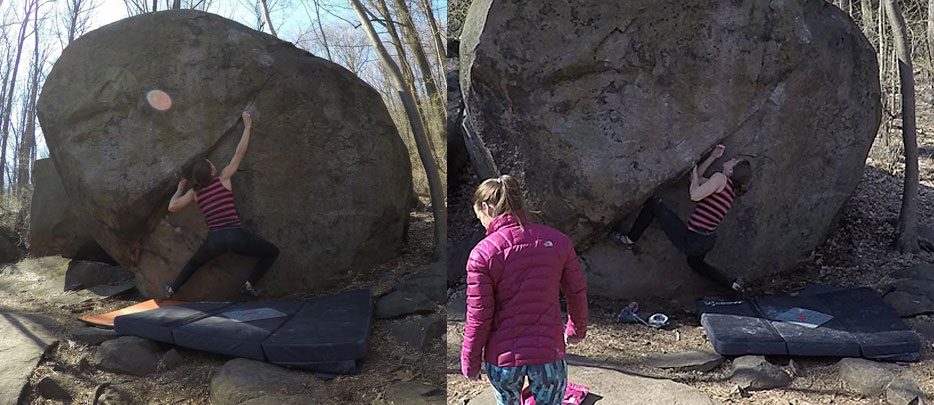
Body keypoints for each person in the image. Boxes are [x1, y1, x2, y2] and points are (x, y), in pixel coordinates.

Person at [461, 175, 588, 405]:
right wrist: (575, 330)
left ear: (486, 208)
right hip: (549, 353)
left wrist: (470, 361)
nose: (480, 220)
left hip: (503, 359)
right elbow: (576, 291)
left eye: (478, 214)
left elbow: (478, 316)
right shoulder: (558, 242)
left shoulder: (482, 254)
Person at [163, 111, 279, 299]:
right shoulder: (223, 179)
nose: (213, 164)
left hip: (215, 241)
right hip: (235, 236)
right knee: (272, 252)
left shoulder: (196, 193)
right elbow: (239, 153)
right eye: (211, 164)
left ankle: (172, 289)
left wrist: (180, 188)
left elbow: (172, 207)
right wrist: (248, 127)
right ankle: (249, 285)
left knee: (194, 264)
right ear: (211, 172)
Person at [609, 144, 752, 292]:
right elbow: (695, 181)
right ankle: (732, 285)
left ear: (731, 170)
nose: (731, 158)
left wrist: (694, 168)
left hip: (693, 239)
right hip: (706, 240)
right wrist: (711, 157)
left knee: (654, 205)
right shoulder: (728, 190)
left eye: (734, 160)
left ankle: (629, 240)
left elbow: (695, 194)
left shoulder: (720, 179)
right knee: (696, 265)